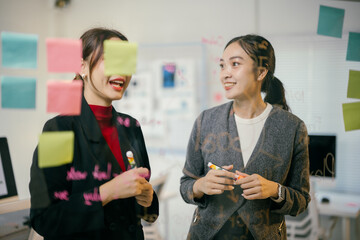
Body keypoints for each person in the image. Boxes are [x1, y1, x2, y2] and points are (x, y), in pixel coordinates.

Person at [29, 27, 158, 240]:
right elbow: (45, 218)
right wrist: (107, 192)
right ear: (82, 67)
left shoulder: (130, 126)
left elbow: (146, 210)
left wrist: (148, 199)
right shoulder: (58, 129)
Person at [180, 34, 310, 240]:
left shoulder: (292, 127)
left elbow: (301, 200)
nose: (225, 74)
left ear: (260, 72)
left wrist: (275, 190)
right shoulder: (206, 121)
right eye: (222, 66)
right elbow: (186, 184)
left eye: (235, 64)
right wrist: (200, 185)